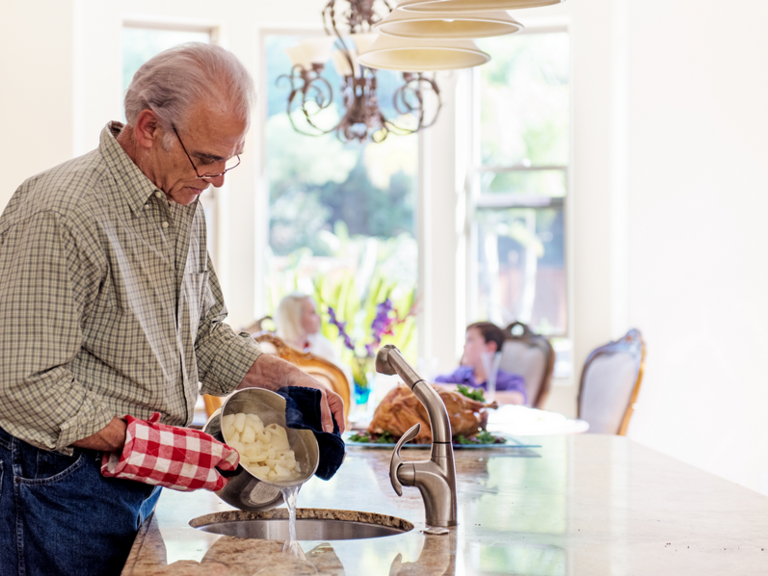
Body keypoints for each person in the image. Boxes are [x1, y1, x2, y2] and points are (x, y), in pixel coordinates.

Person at [0, 43, 344, 576]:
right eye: (206, 158)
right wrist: (151, 442)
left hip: (136, 479)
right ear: (147, 128)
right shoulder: (59, 213)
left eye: (229, 157)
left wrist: (286, 374)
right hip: (57, 485)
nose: (219, 178)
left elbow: (202, 334)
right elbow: (23, 384)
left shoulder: (181, 203)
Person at [434, 322, 527, 405]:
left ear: (490, 348)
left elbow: (517, 399)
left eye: (470, 340)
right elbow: (433, 386)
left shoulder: (507, 380)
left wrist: (472, 393)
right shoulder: (461, 374)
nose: (464, 346)